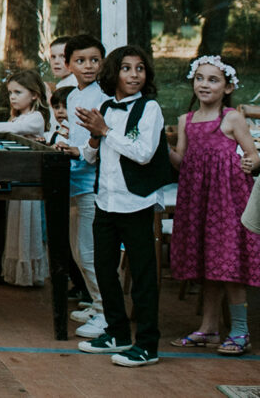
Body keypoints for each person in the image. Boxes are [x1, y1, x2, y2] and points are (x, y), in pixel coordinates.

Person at [75, 45, 171, 367]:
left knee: (142, 275)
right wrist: (91, 139)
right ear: (113, 73)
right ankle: (116, 331)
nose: (134, 74)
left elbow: (143, 152)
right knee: (104, 268)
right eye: (127, 68)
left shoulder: (150, 109)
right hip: (106, 200)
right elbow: (94, 155)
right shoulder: (105, 107)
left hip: (136, 203)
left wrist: (105, 131)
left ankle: (147, 344)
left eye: (140, 68)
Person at [168, 56, 260, 356]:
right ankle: (208, 328)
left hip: (228, 200)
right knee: (208, 264)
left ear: (228, 87)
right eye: (200, 78)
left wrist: (251, 162)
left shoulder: (232, 118)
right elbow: (182, 161)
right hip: (198, 200)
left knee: (228, 264)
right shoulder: (186, 120)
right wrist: (161, 145)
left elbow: (253, 154)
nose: (204, 84)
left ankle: (240, 330)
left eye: (213, 79)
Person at [52, 33, 108, 338]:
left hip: (92, 180)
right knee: (78, 249)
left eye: (94, 60)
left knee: (88, 251)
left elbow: (97, 138)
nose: (88, 66)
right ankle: (96, 303)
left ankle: (106, 312)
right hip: (74, 179)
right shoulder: (72, 95)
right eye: (81, 61)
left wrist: (80, 151)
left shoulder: (103, 95)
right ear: (68, 64)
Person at [0, 69, 49, 286]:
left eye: (18, 92)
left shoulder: (35, 118)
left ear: (35, 95)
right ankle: (11, 273)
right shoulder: (18, 117)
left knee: (27, 226)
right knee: (14, 225)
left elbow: (13, 128)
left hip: (30, 181)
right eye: (10, 93)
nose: (12, 97)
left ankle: (28, 274)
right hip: (17, 178)